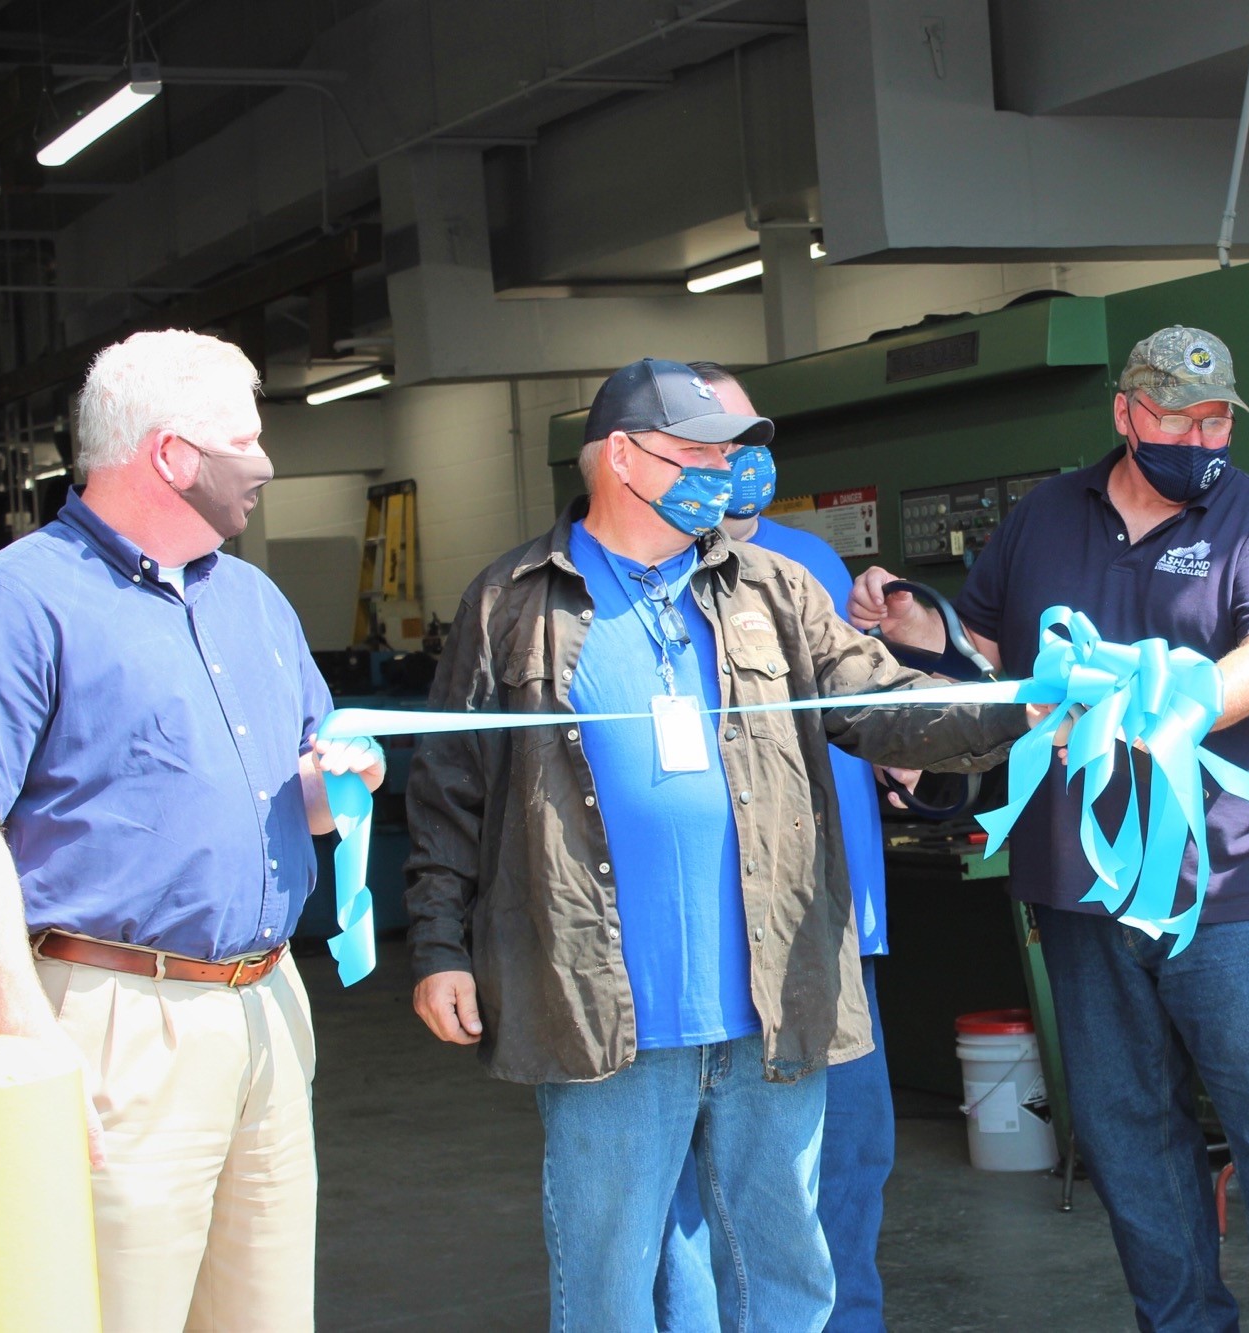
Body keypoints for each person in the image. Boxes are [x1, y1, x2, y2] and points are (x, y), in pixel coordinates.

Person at [403, 357, 1034, 1333]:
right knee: (611, 1287)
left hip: (771, 1003)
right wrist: (440, 949)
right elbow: (451, 790)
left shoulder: (774, 590)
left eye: (732, 452)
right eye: (699, 451)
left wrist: (1021, 706)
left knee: (783, 1275)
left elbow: (882, 707)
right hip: (599, 1011)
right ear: (622, 457)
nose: (725, 473)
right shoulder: (511, 604)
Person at [852, 327, 1249, 1331]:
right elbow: (996, 654)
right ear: (1123, 414)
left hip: (1222, 891)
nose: (1198, 433)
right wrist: (917, 629)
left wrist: (1170, 710)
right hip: (1075, 888)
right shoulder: (1046, 516)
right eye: (1175, 415)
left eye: (1215, 415)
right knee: (1130, 1140)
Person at [0, 328, 385, 1329]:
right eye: (246, 439)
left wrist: (338, 782)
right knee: (112, 1307)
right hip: (111, 1018)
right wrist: (29, 1035)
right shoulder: (18, 603)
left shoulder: (257, 604)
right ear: (172, 454)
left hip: (267, 1003)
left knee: (264, 1311)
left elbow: (299, 800)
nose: (266, 464)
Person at [653, 363, 901, 1332]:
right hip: (719, 940)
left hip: (834, 926)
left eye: (751, 438)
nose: (740, 460)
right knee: (705, 1186)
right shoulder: (641, 576)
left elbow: (872, 714)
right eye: (717, 441)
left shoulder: (810, 567)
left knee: (848, 1160)